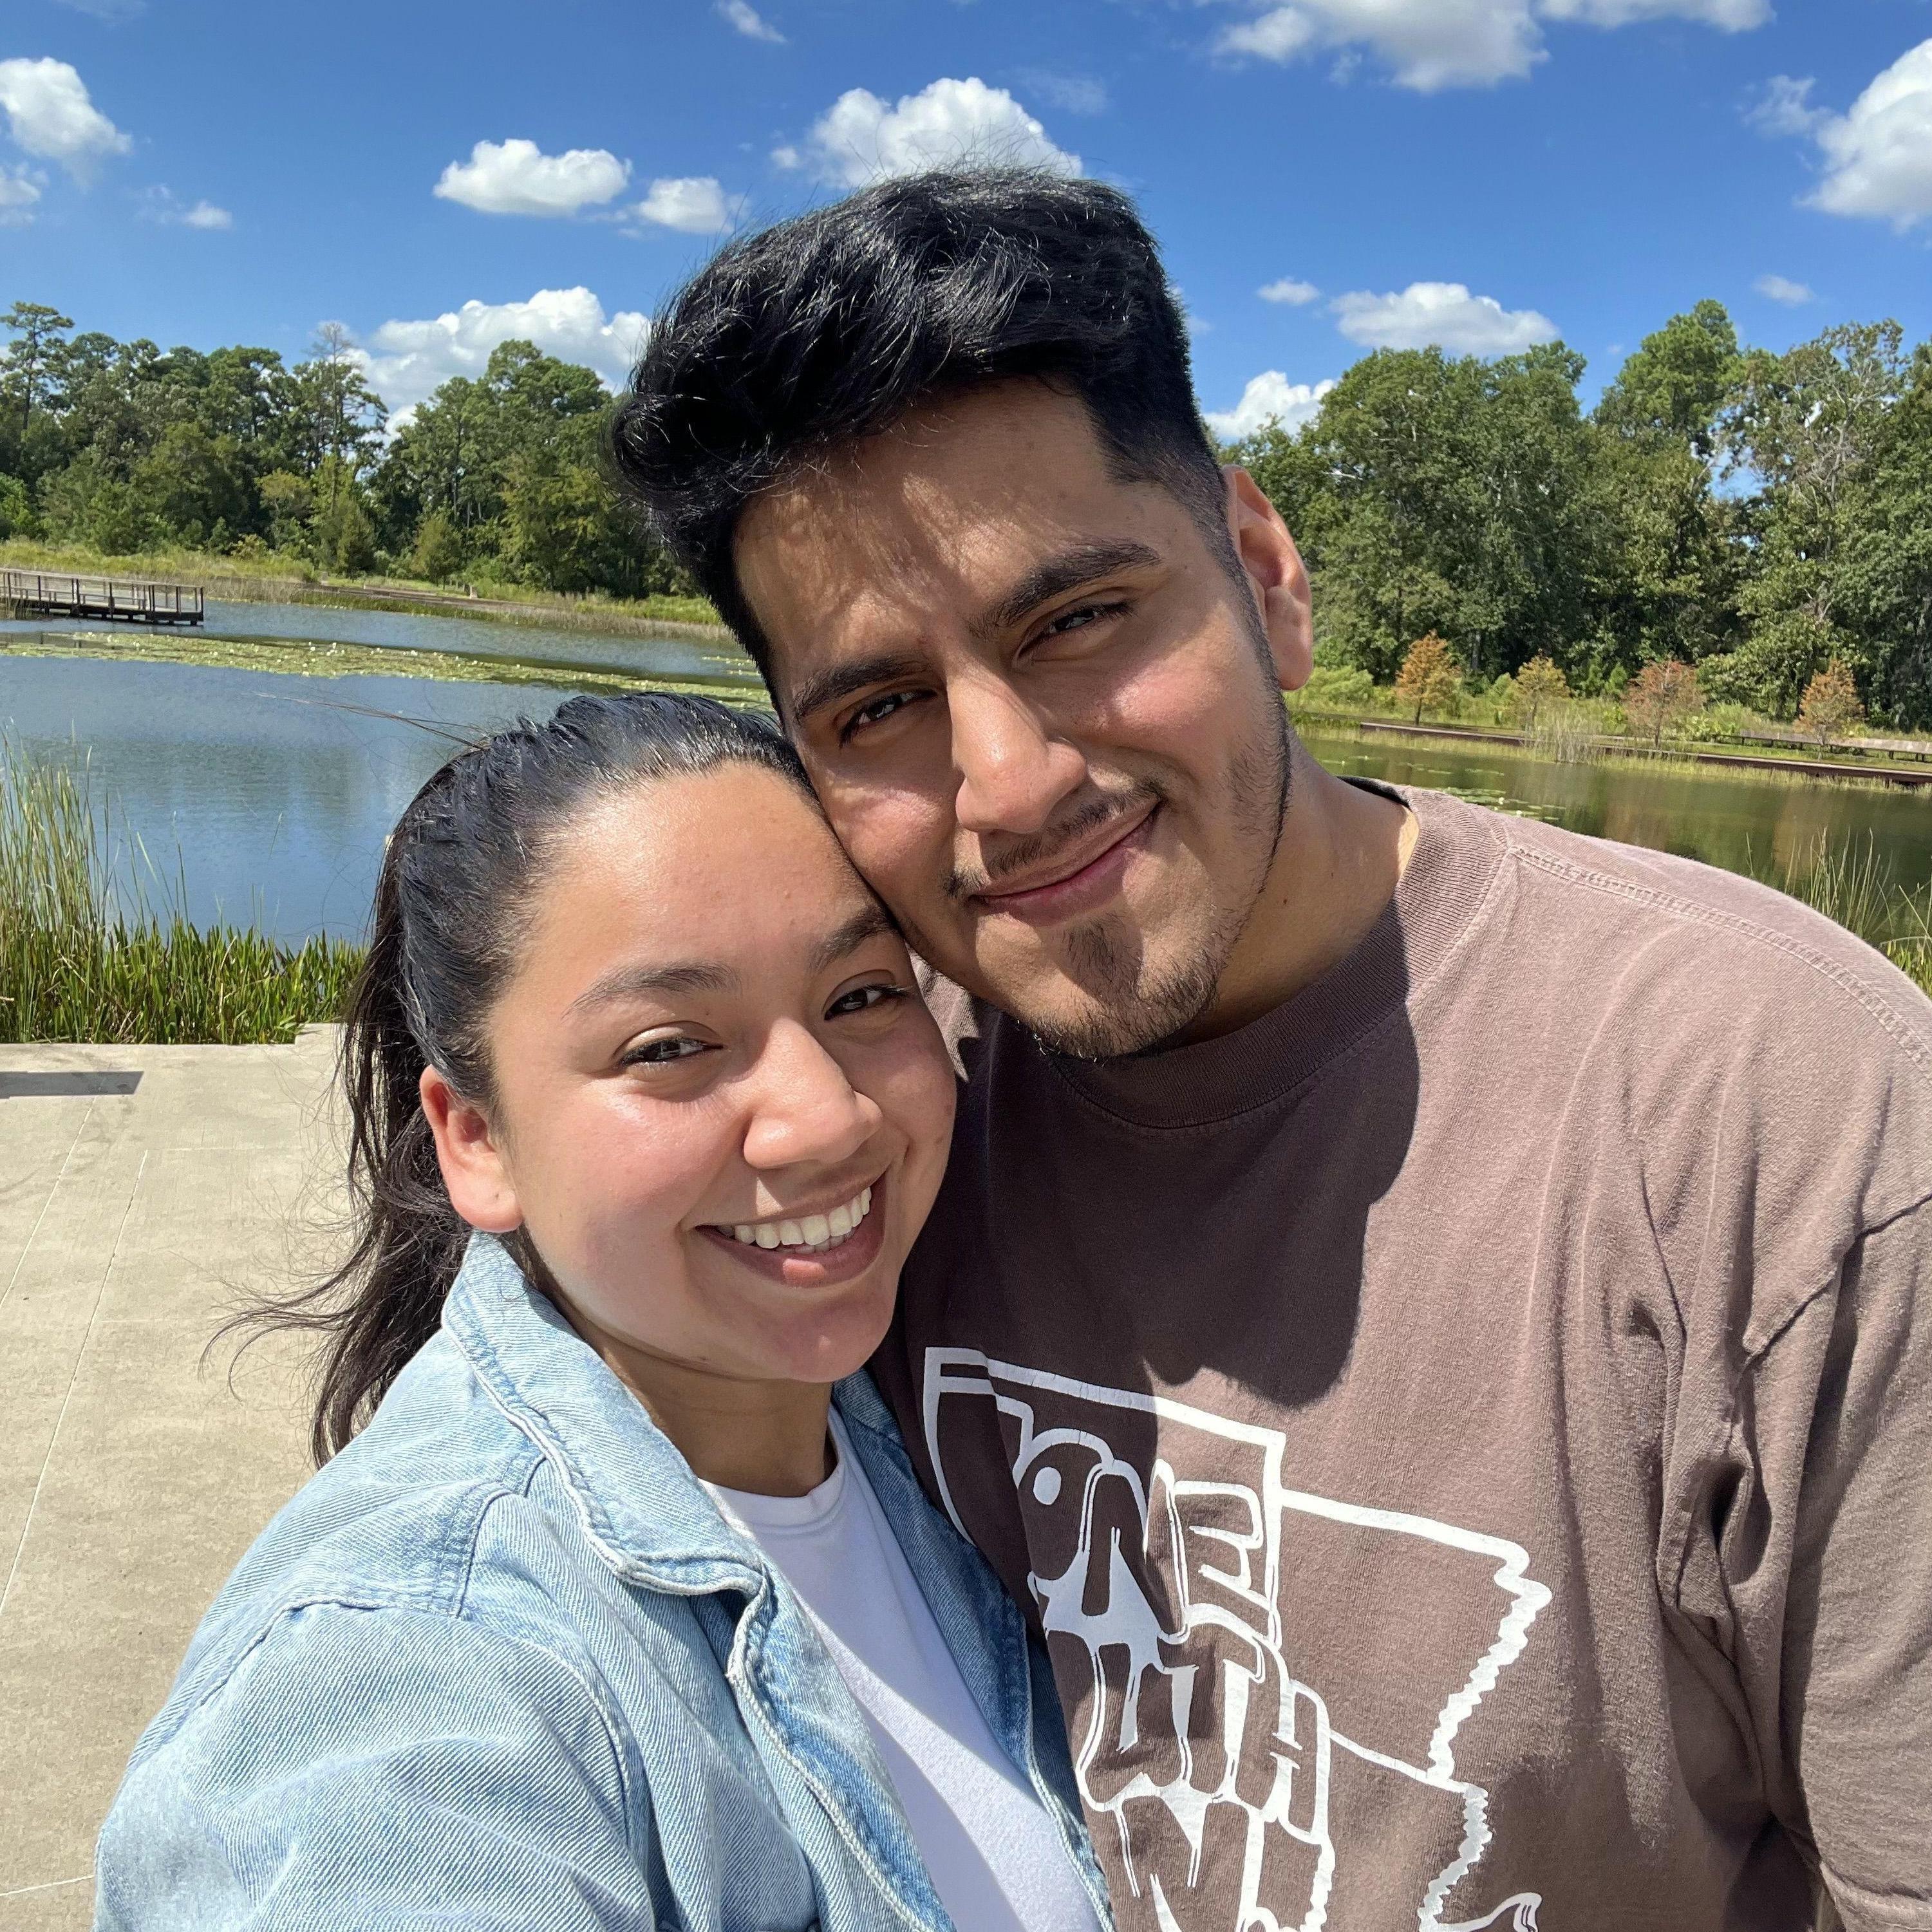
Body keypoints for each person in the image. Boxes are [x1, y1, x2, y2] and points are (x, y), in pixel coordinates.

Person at [610, 171, 1932, 1931]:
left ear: (1264, 575)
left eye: (1074, 620)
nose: (1010, 785)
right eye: (880, 706)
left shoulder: (1784, 1115)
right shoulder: (869, 1123)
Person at [93, 693, 1112, 1932]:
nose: (825, 1118)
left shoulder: (938, 1432)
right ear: (477, 1139)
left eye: (859, 997)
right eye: (670, 1046)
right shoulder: (415, 1668)